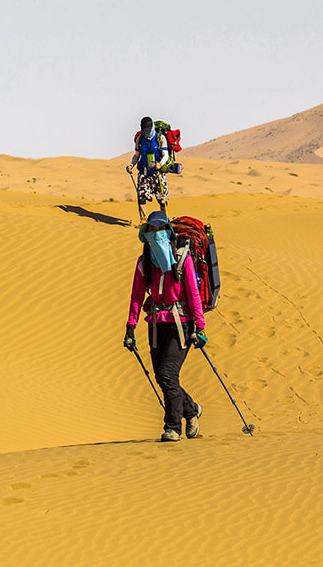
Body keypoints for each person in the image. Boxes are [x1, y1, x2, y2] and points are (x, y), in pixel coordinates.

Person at [123, 211, 207, 442]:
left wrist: (200, 327)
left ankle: (173, 427)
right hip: (156, 323)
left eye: (160, 230)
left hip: (182, 324)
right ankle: (191, 411)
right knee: (163, 377)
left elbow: (192, 292)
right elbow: (137, 295)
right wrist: (130, 327)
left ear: (168, 233)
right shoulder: (145, 263)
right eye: (151, 231)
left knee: (168, 375)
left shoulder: (183, 259)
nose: (156, 235)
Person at [126, 117, 169, 222]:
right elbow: (137, 154)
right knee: (141, 197)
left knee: (162, 199)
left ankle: (164, 220)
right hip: (143, 173)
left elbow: (165, 155)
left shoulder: (160, 138)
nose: (146, 132)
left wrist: (160, 163)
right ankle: (143, 220)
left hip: (157, 173)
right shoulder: (140, 139)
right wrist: (131, 165)